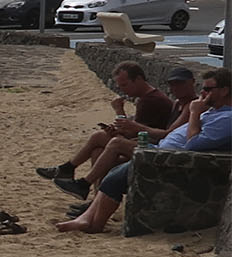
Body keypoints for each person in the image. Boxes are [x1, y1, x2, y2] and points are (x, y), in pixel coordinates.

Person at [56, 67, 232, 233]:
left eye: (208, 89)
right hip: (159, 150)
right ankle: (88, 213)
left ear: (224, 90)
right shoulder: (210, 110)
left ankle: (92, 219)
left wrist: (194, 112)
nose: (203, 93)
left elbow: (193, 143)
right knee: (108, 156)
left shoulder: (226, 117)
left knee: (118, 166)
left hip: (168, 157)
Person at [48, 67, 198, 199]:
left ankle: (80, 181)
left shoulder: (167, 102)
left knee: (108, 142)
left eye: (180, 84)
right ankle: (92, 199)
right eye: (172, 84)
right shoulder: (177, 103)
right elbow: (135, 129)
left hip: (161, 148)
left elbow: (163, 133)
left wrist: (121, 116)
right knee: (99, 150)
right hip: (155, 143)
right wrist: (124, 128)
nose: (175, 88)